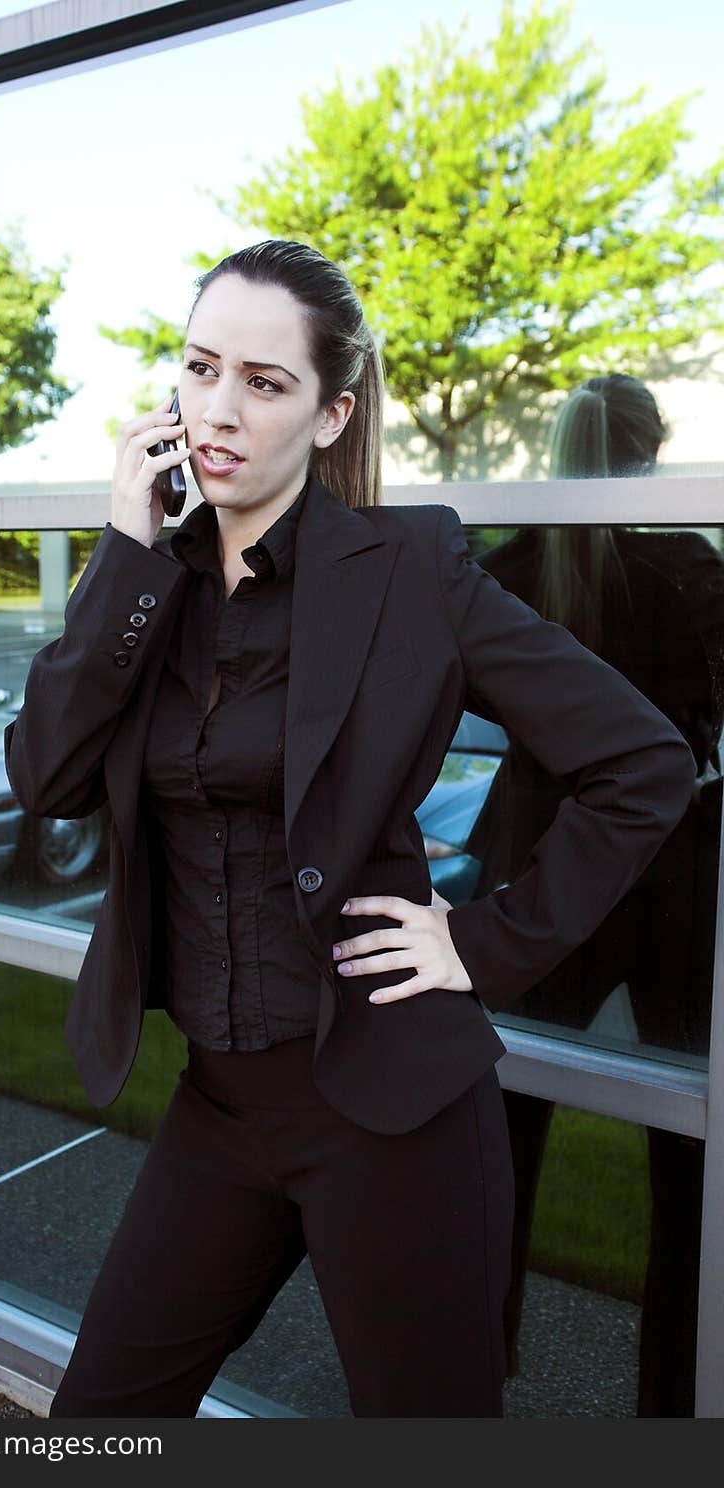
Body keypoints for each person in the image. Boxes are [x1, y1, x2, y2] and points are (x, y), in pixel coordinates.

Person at [4, 247, 696, 1419]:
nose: (217, 408)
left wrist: (480, 943)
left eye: (264, 384)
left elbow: (641, 763)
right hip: (218, 1112)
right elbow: (49, 775)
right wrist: (124, 547)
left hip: (394, 1114)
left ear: (330, 415)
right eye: (199, 367)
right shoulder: (146, 587)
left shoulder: (409, 572)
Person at [465, 372, 724, 1415]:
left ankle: (467, 1375)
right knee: (690, 1149)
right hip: (673, 872)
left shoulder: (508, 565)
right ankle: (675, 1403)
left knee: (500, 1128)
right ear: (650, 454)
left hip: (540, 867)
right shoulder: (689, 569)